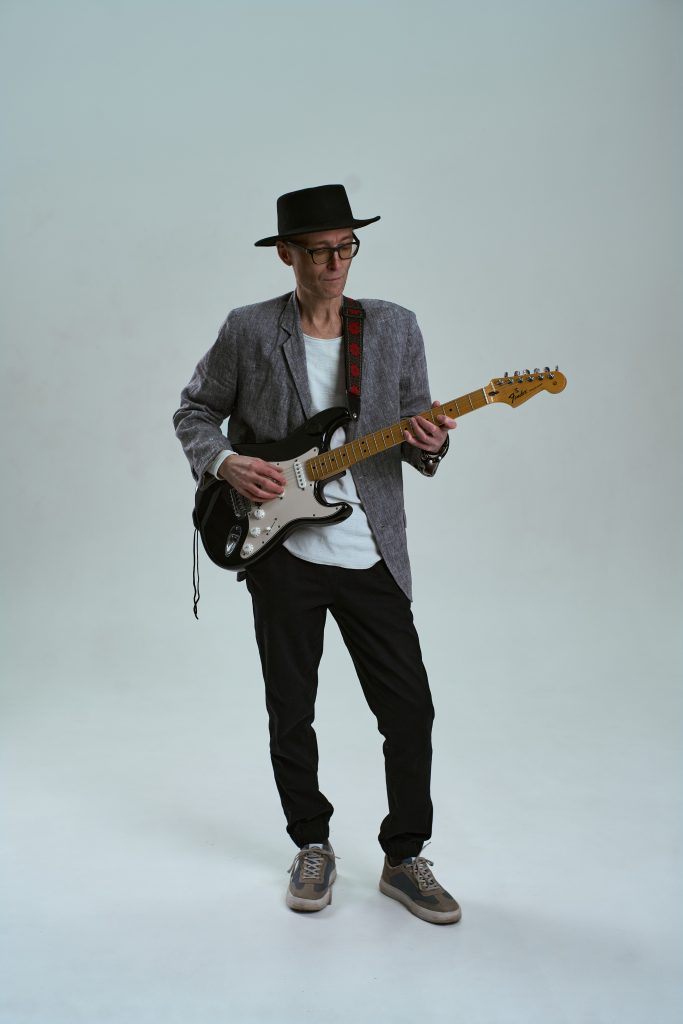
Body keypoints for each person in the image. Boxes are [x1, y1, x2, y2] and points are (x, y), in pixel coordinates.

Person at [173, 184, 461, 925]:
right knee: (291, 711)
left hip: (371, 552)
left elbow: (416, 432)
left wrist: (432, 441)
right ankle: (311, 843)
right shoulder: (248, 330)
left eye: (346, 248)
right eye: (319, 251)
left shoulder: (394, 327)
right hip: (282, 552)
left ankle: (404, 856)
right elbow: (194, 410)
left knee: (410, 712)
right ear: (286, 255)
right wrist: (227, 463)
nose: (335, 264)